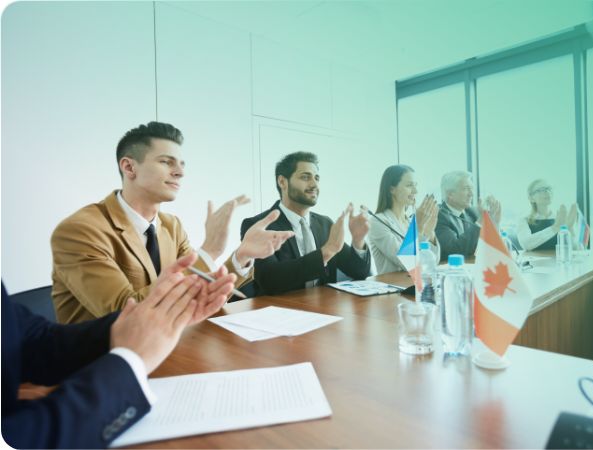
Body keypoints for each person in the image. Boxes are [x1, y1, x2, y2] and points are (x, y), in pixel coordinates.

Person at [51, 122, 293, 323]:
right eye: (167, 162)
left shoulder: (171, 225)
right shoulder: (79, 231)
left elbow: (199, 290)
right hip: (100, 361)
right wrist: (209, 250)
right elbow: (124, 312)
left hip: (166, 344)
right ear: (129, 167)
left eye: (181, 164)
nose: (180, 172)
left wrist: (241, 256)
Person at [2, 252, 234, 449]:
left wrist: (147, 318)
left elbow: (34, 339)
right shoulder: (81, 229)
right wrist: (130, 361)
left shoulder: (170, 226)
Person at [240, 152, 371, 295]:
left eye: (316, 178)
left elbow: (359, 272)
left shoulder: (325, 224)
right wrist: (326, 253)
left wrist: (358, 240)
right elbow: (270, 281)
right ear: (282, 182)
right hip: (281, 312)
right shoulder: (258, 226)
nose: (314, 184)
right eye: (305, 177)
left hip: (324, 310)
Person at [369, 165, 440, 274]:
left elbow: (433, 261)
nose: (415, 191)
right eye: (409, 185)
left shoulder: (411, 220)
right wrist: (419, 227)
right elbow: (408, 264)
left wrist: (430, 233)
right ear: (392, 189)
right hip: (393, 288)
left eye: (416, 185)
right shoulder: (378, 222)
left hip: (417, 285)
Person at [435, 170, 501, 260]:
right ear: (450, 194)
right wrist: (481, 221)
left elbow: (489, 245)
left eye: (471, 189)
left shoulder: (472, 212)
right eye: (466, 189)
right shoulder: (439, 216)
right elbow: (455, 251)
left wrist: (494, 223)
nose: (472, 194)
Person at [517, 179, 578, 251]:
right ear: (531, 198)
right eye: (541, 190)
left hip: (557, 261)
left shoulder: (560, 217)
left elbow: (575, 248)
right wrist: (555, 227)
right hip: (533, 262)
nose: (547, 191)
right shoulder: (524, 219)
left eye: (548, 188)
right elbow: (526, 244)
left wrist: (570, 229)